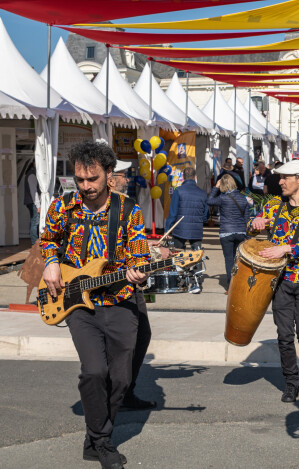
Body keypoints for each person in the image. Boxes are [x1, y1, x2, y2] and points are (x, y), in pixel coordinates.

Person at [40, 141, 150, 469]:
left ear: (109, 176)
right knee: (94, 372)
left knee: (119, 378)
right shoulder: (62, 206)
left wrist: (139, 272)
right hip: (77, 302)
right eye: (80, 180)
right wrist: (50, 262)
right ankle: (101, 440)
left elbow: (141, 253)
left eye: (93, 179)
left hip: (119, 300)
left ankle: (94, 436)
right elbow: (48, 239)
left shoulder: (129, 210)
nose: (86, 187)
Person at [250, 160, 299, 402]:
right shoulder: (274, 205)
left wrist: (286, 248)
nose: (280, 181)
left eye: (285, 177)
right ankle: (291, 383)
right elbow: (253, 228)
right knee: (284, 335)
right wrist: (255, 224)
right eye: (279, 177)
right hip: (279, 279)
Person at [108, 160, 157, 412]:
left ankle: (125, 392)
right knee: (121, 342)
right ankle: (114, 395)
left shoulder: (128, 207)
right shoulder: (101, 209)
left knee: (142, 335)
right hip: (107, 286)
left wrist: (151, 252)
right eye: (122, 175)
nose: (127, 180)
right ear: (109, 178)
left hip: (129, 283)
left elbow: (132, 243)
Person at [207, 174, 252, 290]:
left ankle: (231, 287)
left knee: (228, 259)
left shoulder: (222, 198)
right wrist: (248, 235)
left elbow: (209, 201)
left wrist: (215, 188)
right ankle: (239, 283)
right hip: (241, 232)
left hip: (226, 232)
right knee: (238, 259)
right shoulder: (243, 198)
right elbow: (247, 219)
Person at [164, 167, 208, 253]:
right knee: (197, 256)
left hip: (180, 229)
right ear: (195, 177)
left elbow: (173, 213)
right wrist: (201, 220)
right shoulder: (203, 193)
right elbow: (206, 213)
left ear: (183, 177)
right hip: (196, 228)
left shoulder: (178, 191)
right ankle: (197, 267)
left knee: (178, 255)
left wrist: (167, 229)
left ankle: (182, 267)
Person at [24, 165, 40, 242]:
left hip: (31, 201)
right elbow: (34, 191)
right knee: (35, 222)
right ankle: (35, 242)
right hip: (33, 202)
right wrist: (38, 205)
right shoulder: (32, 175)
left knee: (33, 221)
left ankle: (34, 240)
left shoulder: (30, 174)